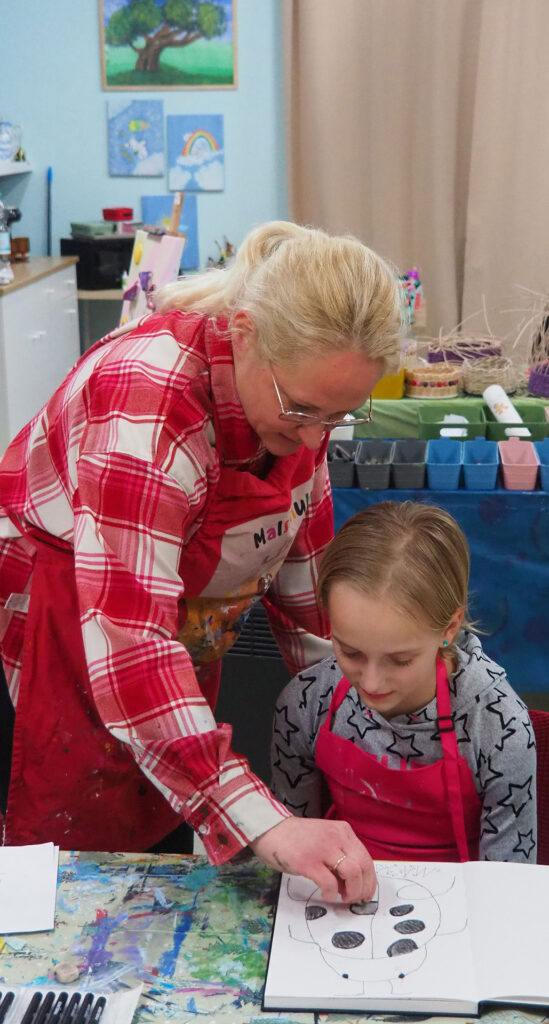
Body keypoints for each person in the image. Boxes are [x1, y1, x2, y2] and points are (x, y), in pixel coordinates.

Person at [0, 220, 402, 901]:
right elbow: (130, 645)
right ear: (244, 332)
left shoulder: (295, 405)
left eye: (337, 416)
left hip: (166, 647)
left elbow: (310, 606)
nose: (312, 439)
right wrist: (267, 824)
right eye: (301, 410)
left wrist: (363, 727)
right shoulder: (146, 400)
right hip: (58, 636)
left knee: (160, 853)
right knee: (74, 888)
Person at [271, 501, 537, 863]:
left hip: (466, 905)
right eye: (351, 652)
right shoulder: (306, 702)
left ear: (450, 628)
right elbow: (295, 850)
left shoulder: (497, 724)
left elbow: (508, 885)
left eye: (400, 660)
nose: (372, 681)